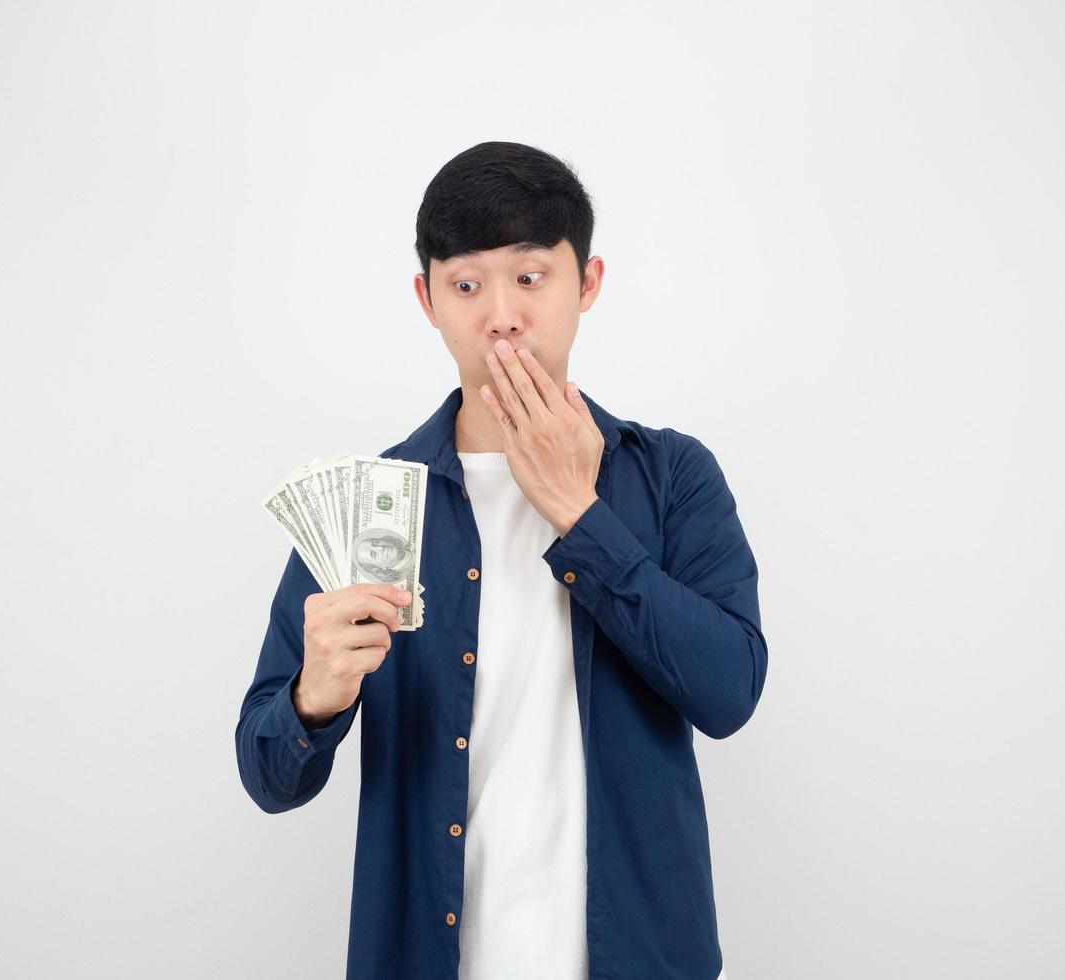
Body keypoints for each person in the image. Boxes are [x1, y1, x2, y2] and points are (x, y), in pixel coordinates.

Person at [235, 140, 767, 979]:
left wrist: (577, 514)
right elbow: (266, 774)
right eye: (466, 284)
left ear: (586, 283)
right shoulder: (371, 501)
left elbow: (729, 692)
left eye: (530, 277)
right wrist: (313, 698)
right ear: (428, 298)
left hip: (637, 956)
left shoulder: (671, 476)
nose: (501, 314)